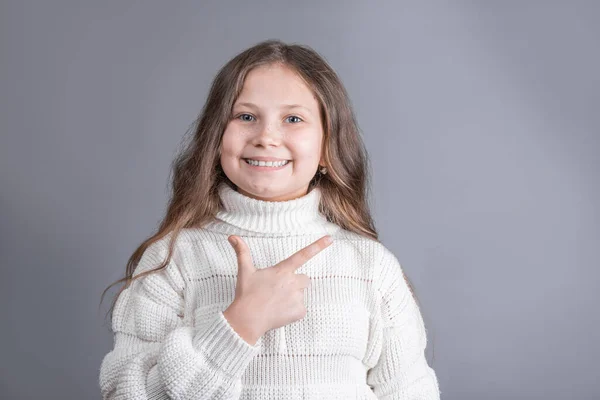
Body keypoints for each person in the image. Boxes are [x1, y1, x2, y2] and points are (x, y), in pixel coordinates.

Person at [99, 39, 441, 399]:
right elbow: (124, 393)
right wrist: (240, 323)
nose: (266, 137)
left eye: (293, 119)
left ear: (327, 148)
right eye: (246, 117)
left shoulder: (370, 266)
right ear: (216, 139)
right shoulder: (174, 258)